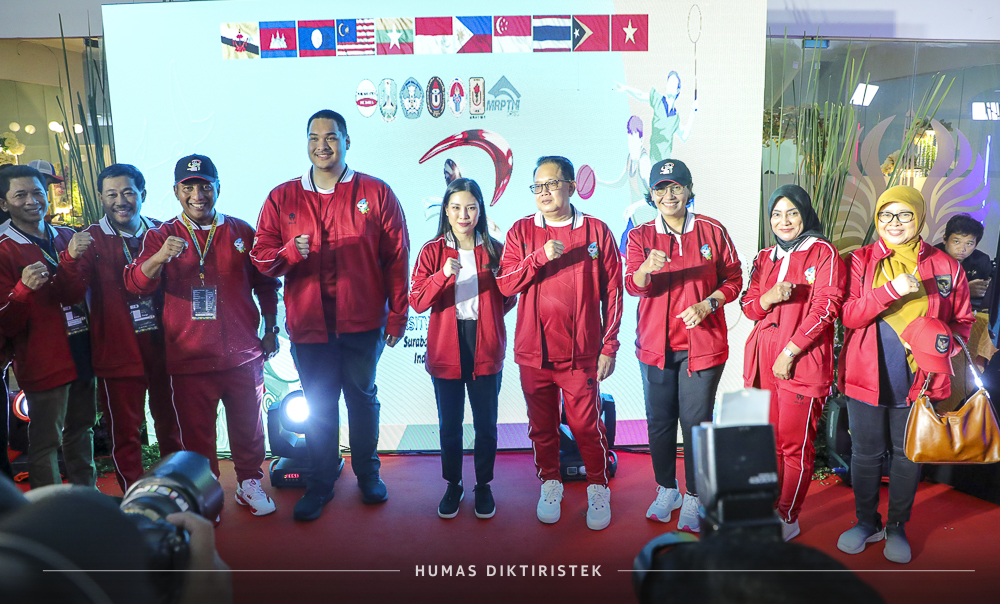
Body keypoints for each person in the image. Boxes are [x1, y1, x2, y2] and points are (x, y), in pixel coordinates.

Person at [251, 110, 410, 521]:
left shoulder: (376, 192)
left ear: (347, 141)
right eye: (314, 137)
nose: (322, 145)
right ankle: (320, 483)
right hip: (309, 326)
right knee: (319, 405)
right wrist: (289, 253)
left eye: (331, 137)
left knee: (362, 400)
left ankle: (368, 475)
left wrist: (398, 316)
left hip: (363, 324)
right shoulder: (282, 197)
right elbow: (261, 258)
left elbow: (397, 259)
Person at [124, 154, 280, 517]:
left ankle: (249, 482)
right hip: (189, 357)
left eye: (205, 186)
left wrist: (271, 329)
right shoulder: (161, 236)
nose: (198, 195)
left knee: (249, 428)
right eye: (189, 187)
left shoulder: (241, 231)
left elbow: (266, 284)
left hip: (243, 354)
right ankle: (206, 494)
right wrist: (159, 257)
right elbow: (135, 285)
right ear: (176, 191)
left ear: (218, 188)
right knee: (197, 435)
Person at [837, 185, 975, 563]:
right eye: (886, 215)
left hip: (919, 378)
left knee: (907, 454)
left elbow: (962, 322)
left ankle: (897, 526)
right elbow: (848, 315)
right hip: (867, 372)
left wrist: (940, 344)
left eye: (904, 215)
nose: (894, 223)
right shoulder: (861, 259)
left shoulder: (946, 266)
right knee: (865, 454)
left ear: (919, 218)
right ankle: (866, 522)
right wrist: (889, 291)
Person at [497, 155, 623, 531]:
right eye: (538, 186)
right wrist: (538, 257)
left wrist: (609, 347)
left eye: (552, 184)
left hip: (581, 354)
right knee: (542, 427)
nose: (544, 192)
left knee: (586, 426)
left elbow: (614, 293)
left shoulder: (596, 231)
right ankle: (550, 483)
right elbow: (505, 285)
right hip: (534, 353)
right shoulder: (521, 231)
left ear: (571, 187)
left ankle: (598, 486)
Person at [623, 159, 742, 533]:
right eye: (661, 188)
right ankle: (666, 489)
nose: (669, 195)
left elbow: (734, 280)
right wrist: (646, 269)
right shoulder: (640, 235)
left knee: (695, 423)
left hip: (701, 347)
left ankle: (694, 495)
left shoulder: (712, 230)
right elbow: (633, 285)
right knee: (659, 423)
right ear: (652, 195)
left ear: (689, 189)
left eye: (676, 186)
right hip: (655, 349)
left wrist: (708, 304)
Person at [58, 164, 182, 493]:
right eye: (111, 194)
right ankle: (134, 496)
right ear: (101, 198)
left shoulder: (162, 233)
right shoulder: (89, 239)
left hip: (165, 349)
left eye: (128, 192)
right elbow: (69, 294)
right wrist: (70, 259)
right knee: (125, 433)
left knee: (171, 426)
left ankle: (175, 488)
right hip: (117, 351)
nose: (120, 201)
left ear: (143, 193)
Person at [740, 184, 845, 541]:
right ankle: (769, 506)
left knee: (794, 446)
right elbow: (748, 307)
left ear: (805, 214)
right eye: (776, 214)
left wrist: (790, 351)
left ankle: (788, 516)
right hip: (762, 359)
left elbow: (826, 307)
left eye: (792, 213)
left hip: (802, 360)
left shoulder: (823, 252)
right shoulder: (764, 257)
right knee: (769, 441)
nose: (783, 221)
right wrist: (768, 297)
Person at [409, 178, 516, 520]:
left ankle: (483, 485)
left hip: (485, 344)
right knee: (450, 425)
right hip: (447, 345)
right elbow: (417, 301)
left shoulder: (496, 250)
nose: (463, 215)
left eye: (471, 207)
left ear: (480, 210)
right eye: (456, 207)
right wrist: (442, 275)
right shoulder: (432, 251)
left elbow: (509, 297)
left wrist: (490, 318)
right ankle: (453, 484)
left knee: (486, 425)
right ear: (445, 210)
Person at [0, 165, 96, 489]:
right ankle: (50, 509)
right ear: (4, 203)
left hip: (82, 349)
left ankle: (87, 498)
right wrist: (22, 290)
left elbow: (75, 293)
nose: (32, 201)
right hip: (42, 358)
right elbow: (5, 323)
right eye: (20, 195)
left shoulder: (66, 236)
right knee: (45, 442)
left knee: (82, 430)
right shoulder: (3, 248)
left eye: (38, 193)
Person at [936, 213, 994, 310]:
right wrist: (964, 290)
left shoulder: (982, 260)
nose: (962, 249)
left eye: (969, 244)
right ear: (945, 239)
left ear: (976, 245)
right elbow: (930, 296)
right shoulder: (930, 258)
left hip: (970, 309)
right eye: (957, 242)